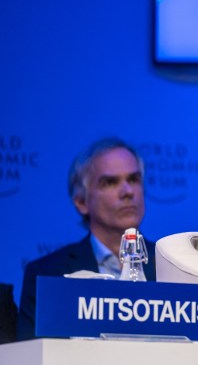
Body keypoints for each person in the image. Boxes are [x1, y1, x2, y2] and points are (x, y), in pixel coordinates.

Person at [17, 137, 155, 340]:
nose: (127, 192)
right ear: (81, 201)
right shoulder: (47, 275)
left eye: (133, 179)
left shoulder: (171, 265)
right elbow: (32, 355)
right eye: (110, 182)